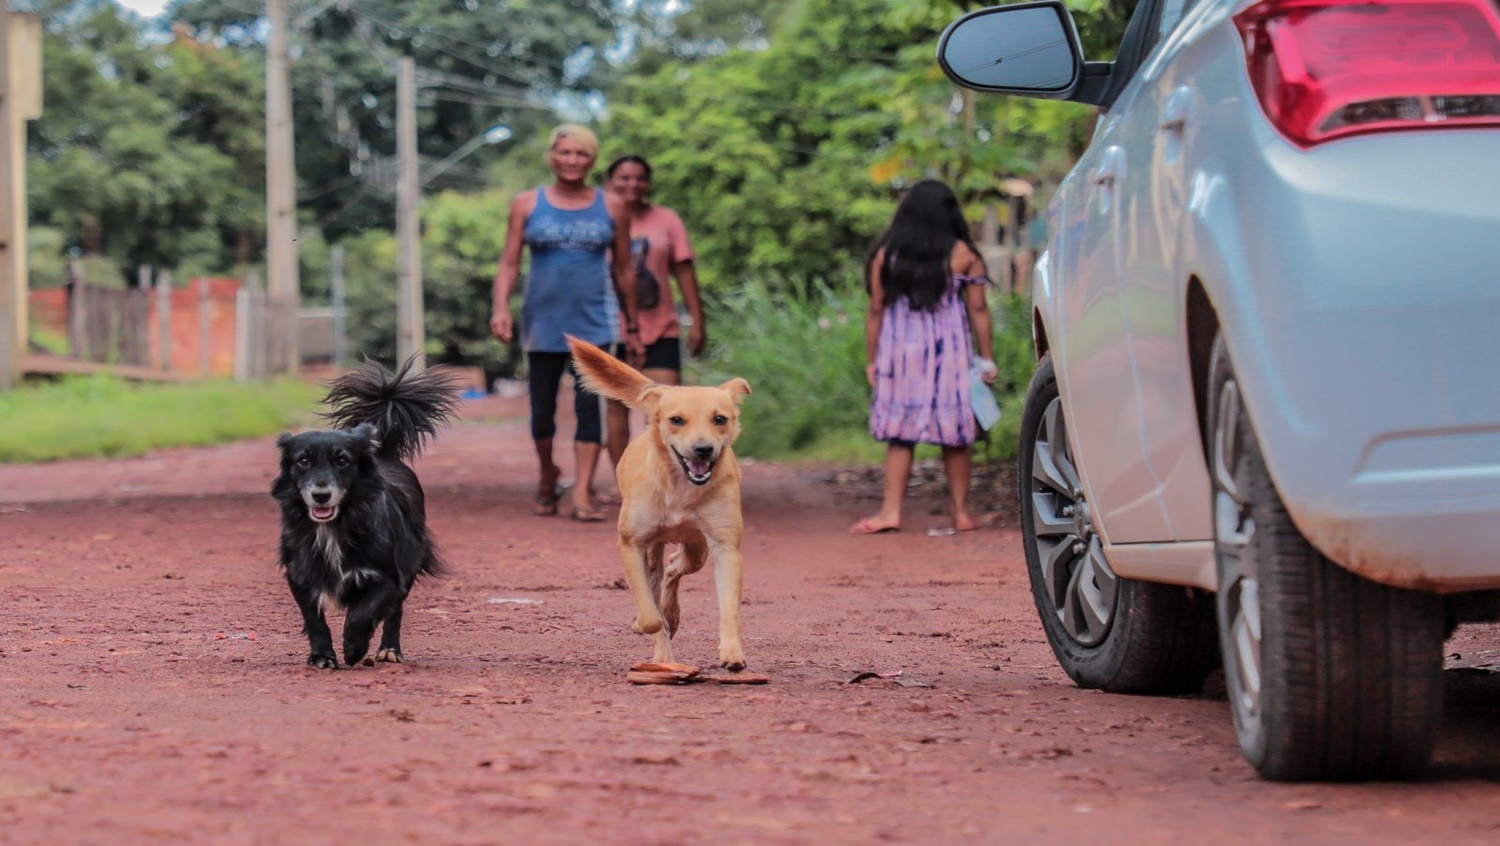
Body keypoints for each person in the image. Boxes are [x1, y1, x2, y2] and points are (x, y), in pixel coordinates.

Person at [490, 124, 644, 522]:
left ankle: (582, 492)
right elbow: (509, 263)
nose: (573, 161)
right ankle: (547, 473)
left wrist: (632, 323)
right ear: (551, 157)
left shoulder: (611, 206)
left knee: (588, 407)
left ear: (592, 161)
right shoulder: (527, 204)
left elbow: (625, 269)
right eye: (565, 153)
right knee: (541, 411)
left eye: (582, 154)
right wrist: (500, 307)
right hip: (542, 324)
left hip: (595, 323)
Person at [848, 179, 996, 536]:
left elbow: (875, 310)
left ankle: (890, 512)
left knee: (900, 435)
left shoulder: (887, 255)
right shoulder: (965, 255)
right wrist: (987, 358)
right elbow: (978, 308)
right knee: (956, 436)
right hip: (950, 352)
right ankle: (961, 513)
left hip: (900, 353)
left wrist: (872, 361)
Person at [598, 154, 707, 471]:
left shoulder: (667, 220)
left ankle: (665, 477)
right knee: (616, 408)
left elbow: (685, 272)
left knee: (669, 407)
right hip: (611, 328)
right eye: (624, 178)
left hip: (662, 327)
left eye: (639, 178)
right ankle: (626, 482)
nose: (632, 184)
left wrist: (698, 321)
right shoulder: (597, 220)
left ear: (648, 183)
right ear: (609, 183)